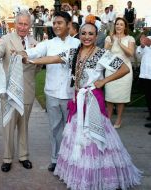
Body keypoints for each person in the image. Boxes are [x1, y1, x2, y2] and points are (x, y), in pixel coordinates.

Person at [27, 22, 142, 190]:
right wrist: (30, 59)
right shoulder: (74, 52)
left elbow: (124, 68)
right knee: (77, 135)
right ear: (79, 35)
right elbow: (53, 58)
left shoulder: (102, 54)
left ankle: (97, 174)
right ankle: (79, 171)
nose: (87, 37)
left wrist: (103, 80)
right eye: (84, 33)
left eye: (91, 34)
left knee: (93, 136)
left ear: (96, 37)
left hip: (93, 100)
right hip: (77, 99)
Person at [24, 11, 80, 172]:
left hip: (71, 94)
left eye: (60, 23)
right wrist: (24, 53)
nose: (56, 26)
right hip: (52, 93)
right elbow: (34, 51)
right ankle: (55, 159)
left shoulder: (77, 44)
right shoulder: (49, 44)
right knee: (55, 128)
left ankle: (72, 158)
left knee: (72, 128)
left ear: (69, 25)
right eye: (54, 23)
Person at [0, 10, 37, 172]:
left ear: (30, 26)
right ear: (15, 24)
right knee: (8, 126)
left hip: (27, 91)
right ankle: (7, 158)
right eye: (20, 23)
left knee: (24, 126)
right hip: (10, 92)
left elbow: (37, 65)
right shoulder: (6, 39)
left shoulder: (34, 42)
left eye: (26, 24)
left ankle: (24, 156)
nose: (23, 27)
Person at [104, 17, 135, 128]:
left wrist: (120, 43)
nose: (118, 26)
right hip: (111, 70)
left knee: (121, 97)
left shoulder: (130, 38)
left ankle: (119, 119)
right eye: (117, 24)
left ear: (125, 27)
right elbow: (105, 53)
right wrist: (112, 42)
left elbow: (130, 53)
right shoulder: (109, 38)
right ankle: (107, 119)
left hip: (125, 71)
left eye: (121, 24)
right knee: (109, 96)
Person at [136, 34, 151, 134]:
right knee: (149, 98)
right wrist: (141, 46)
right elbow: (139, 55)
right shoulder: (148, 38)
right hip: (146, 75)